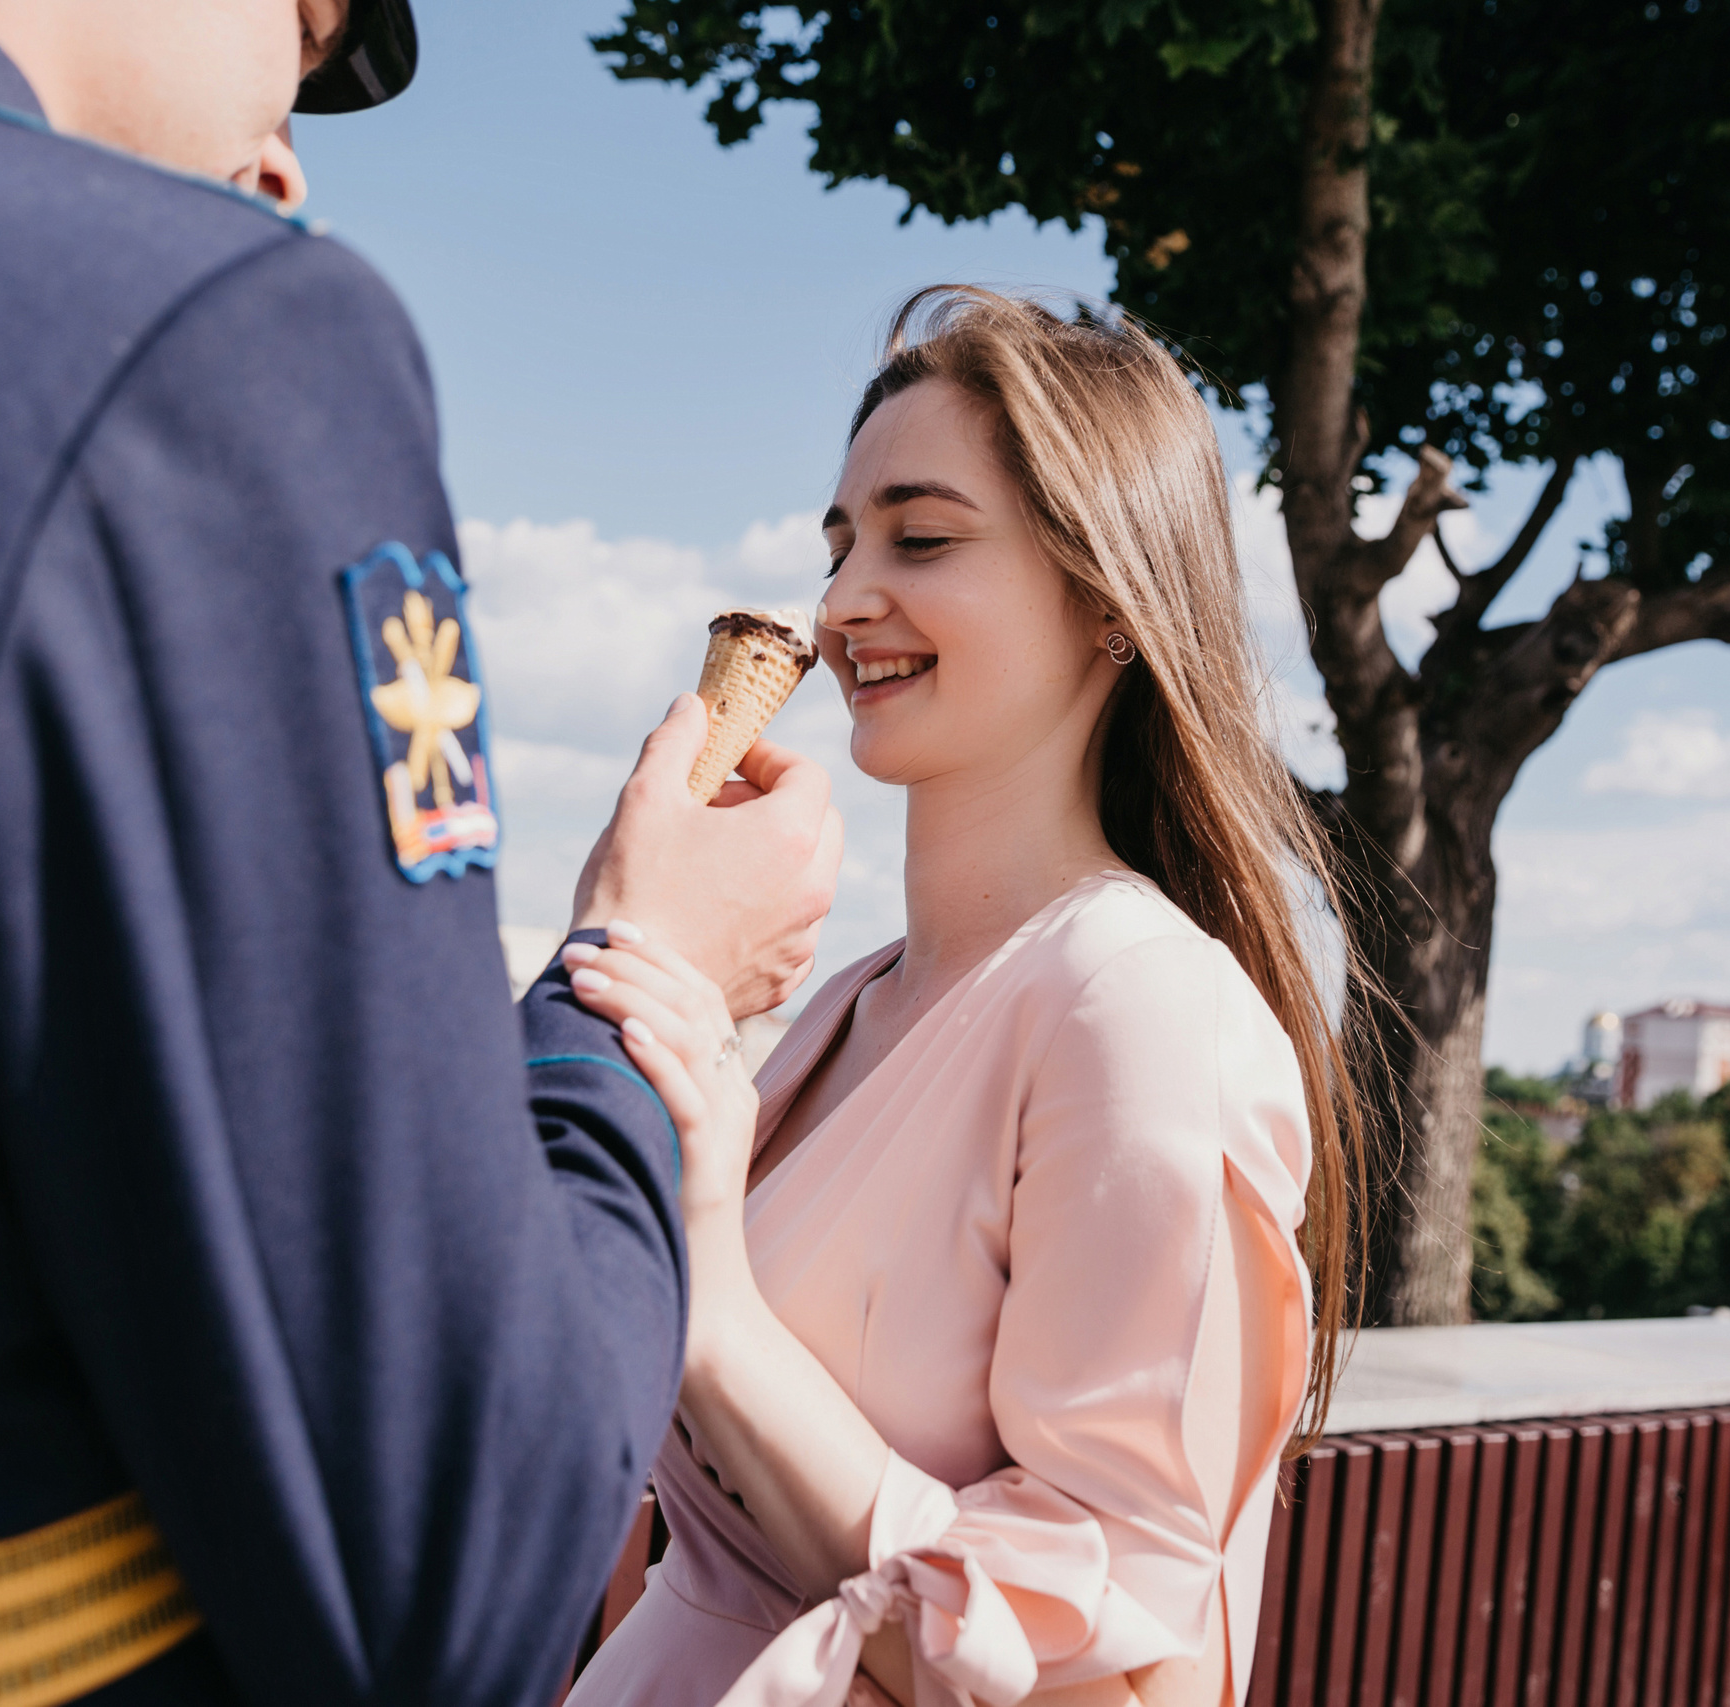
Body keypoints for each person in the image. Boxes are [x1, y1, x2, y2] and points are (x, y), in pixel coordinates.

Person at [0, 3, 839, 1705]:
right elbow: (452, 1569)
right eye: (308, 30)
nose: (284, 134)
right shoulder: (189, 327)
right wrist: (636, 980)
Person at [554, 288, 1367, 1707]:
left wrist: (714, 1298)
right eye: (842, 541)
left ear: (1111, 601)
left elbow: (1119, 1685)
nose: (842, 600)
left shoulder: (1143, 1015)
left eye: (921, 538)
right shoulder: (846, 1005)